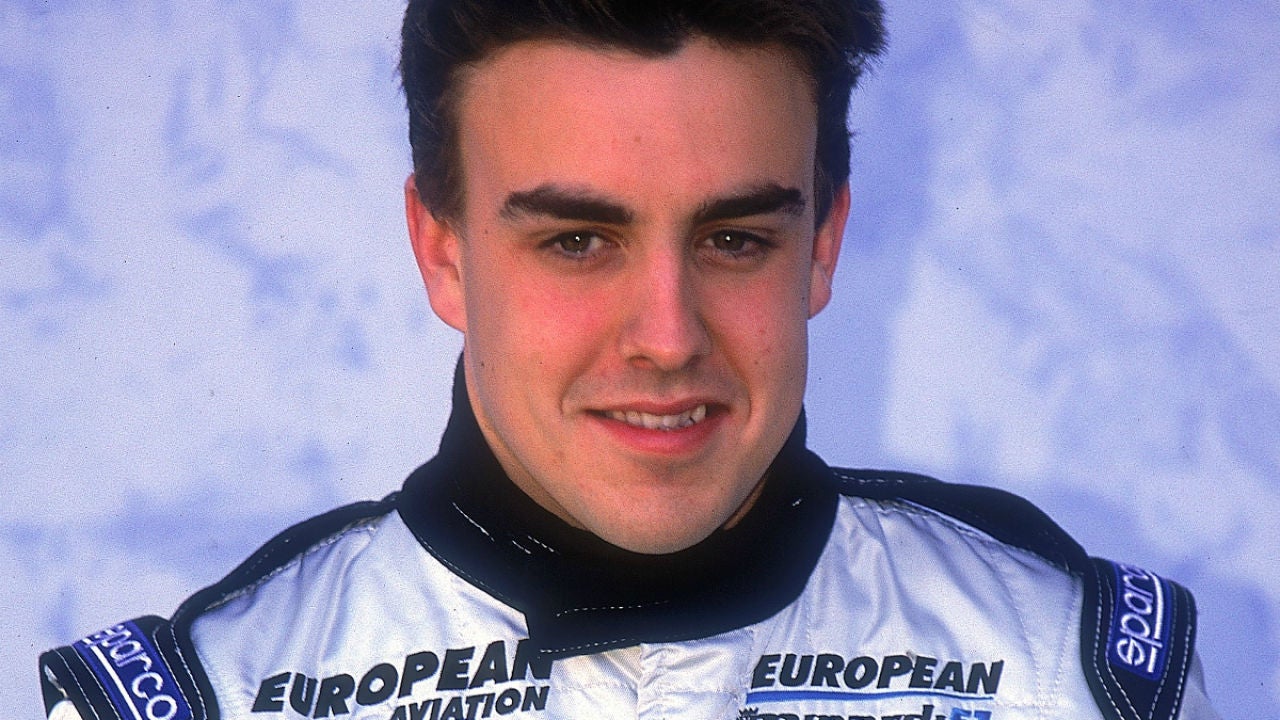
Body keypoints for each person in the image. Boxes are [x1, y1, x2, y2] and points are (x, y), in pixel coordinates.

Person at [40, 1, 1219, 719]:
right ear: (441, 251)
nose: (666, 336)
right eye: (576, 241)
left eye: (733, 239)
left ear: (822, 246)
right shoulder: (213, 695)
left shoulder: (1072, 673)